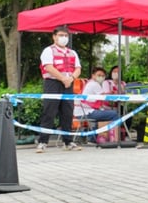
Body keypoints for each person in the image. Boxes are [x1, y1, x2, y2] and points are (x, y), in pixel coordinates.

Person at [35, 25, 81, 153]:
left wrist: (71, 78)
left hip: (68, 83)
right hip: (53, 83)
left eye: (66, 35)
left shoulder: (72, 53)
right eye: (61, 35)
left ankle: (68, 142)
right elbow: (48, 67)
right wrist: (63, 78)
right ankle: (43, 142)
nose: (64, 38)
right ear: (54, 37)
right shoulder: (48, 51)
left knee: (67, 112)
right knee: (49, 112)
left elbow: (78, 68)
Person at [77, 67, 122, 143]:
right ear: (93, 75)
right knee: (114, 114)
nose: (101, 77)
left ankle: (93, 138)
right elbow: (104, 97)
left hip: (82, 112)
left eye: (103, 76)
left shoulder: (89, 83)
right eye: (99, 75)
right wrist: (112, 95)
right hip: (87, 112)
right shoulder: (94, 84)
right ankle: (114, 137)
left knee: (105, 114)